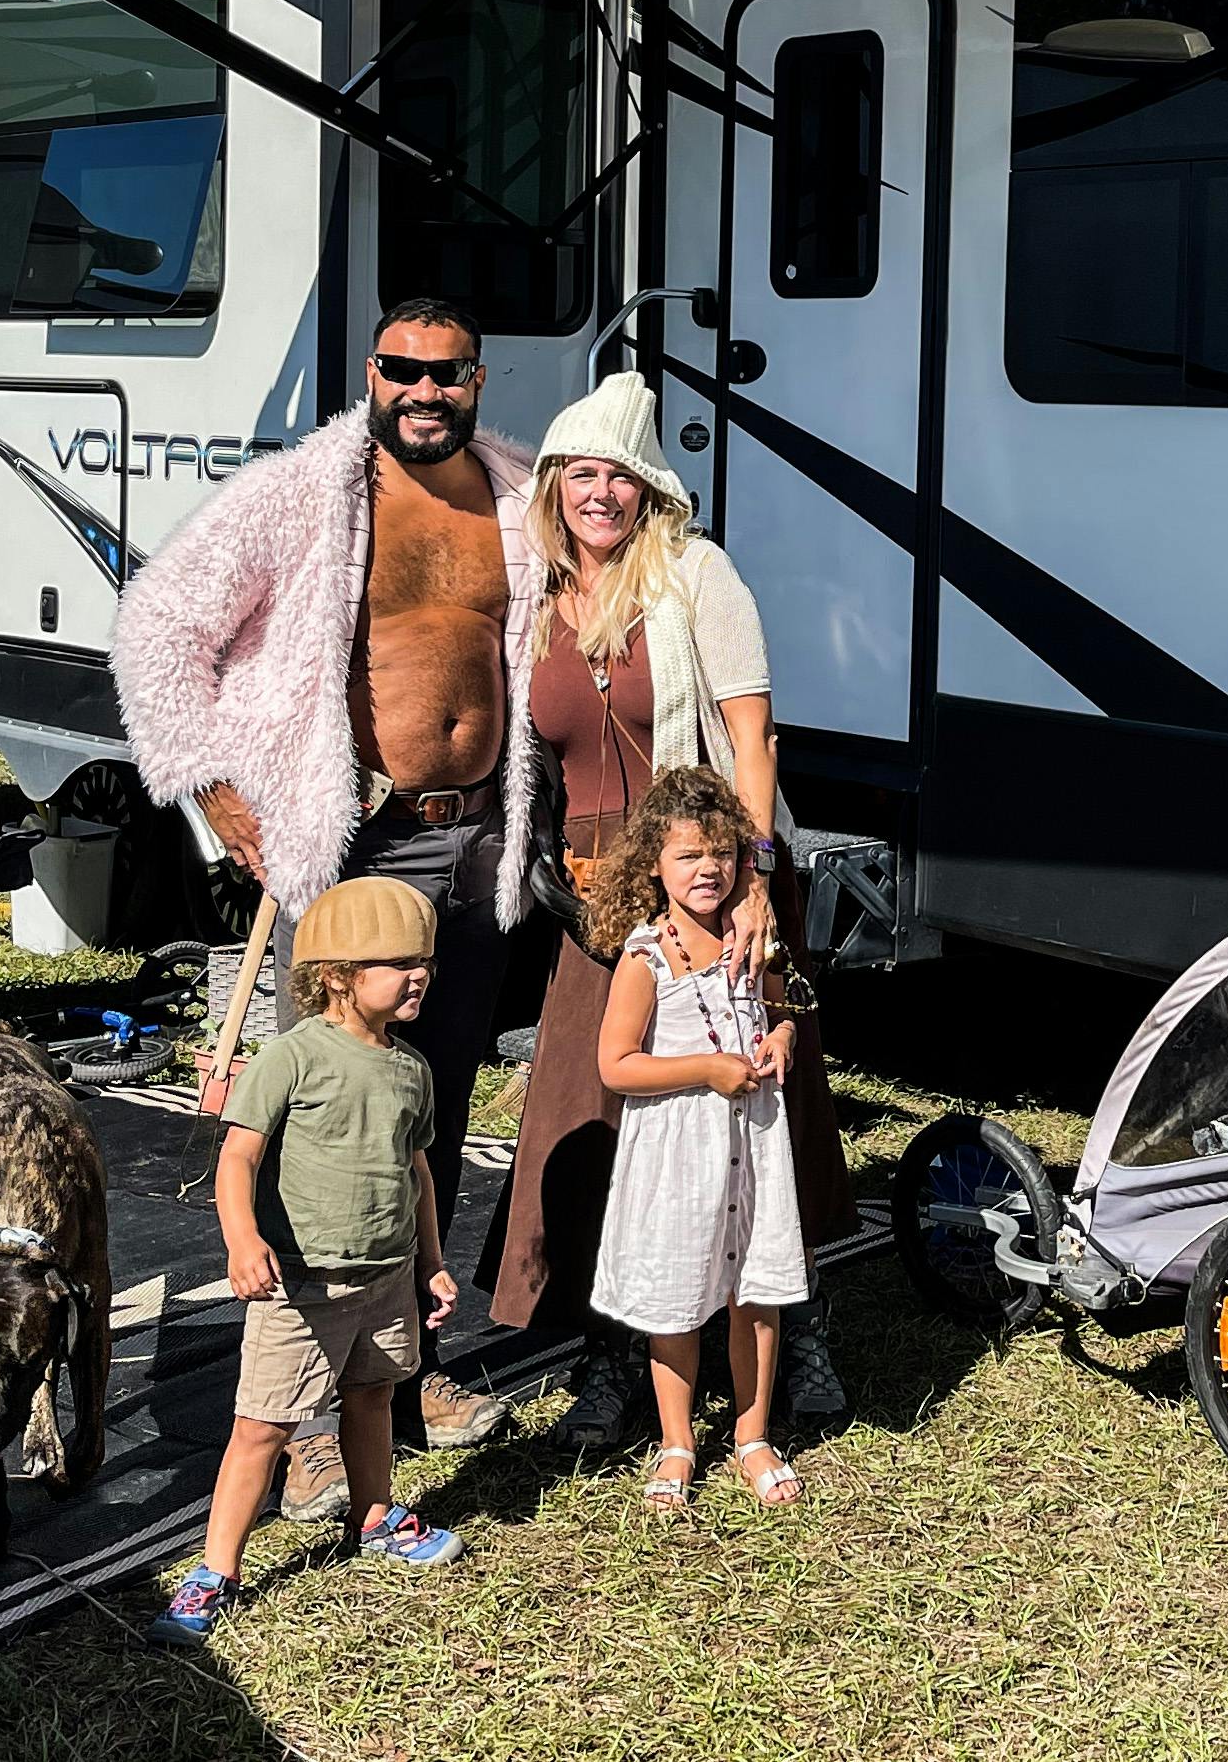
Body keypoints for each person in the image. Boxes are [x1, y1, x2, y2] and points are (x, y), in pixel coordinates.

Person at [112, 298, 539, 1518]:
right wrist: (213, 790)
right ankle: (296, 1412)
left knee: (429, 1114)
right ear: (371, 373)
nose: (423, 391)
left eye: (445, 373)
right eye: (401, 370)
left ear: (476, 378)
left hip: (478, 847)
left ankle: (408, 1372)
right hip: (361, 848)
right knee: (322, 1126)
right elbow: (159, 625)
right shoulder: (308, 492)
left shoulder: (514, 494)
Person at [478, 370, 854, 1449]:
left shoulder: (696, 575)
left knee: (766, 1112)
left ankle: (798, 1325)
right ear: (553, 486)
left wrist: (751, 883)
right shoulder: (537, 599)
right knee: (597, 1114)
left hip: (710, 863)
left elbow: (752, 742)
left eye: (620, 477)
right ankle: (619, 1355)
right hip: (599, 891)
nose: (600, 495)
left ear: (650, 490)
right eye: (580, 474)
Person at [150, 879, 468, 1646]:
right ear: (334, 976)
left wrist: (431, 1260)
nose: (418, 974)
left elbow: (417, 1171)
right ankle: (215, 1571)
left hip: (387, 1277)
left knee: (373, 1397)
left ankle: (374, 1515)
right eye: (395, 962)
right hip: (303, 1283)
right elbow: (238, 1159)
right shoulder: (290, 1058)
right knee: (261, 1428)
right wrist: (241, 1239)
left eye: (422, 960)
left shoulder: (410, 1069)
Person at [586, 768, 808, 1511]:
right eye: (687, 856)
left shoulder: (754, 939)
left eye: (721, 854)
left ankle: (752, 1434)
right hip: (680, 1152)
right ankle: (678, 1440)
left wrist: (779, 1037)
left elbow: (784, 1010)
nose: (707, 870)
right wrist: (706, 1069)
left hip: (753, 1142)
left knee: (757, 1290)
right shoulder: (646, 957)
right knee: (677, 1297)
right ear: (654, 864)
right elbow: (616, 1064)